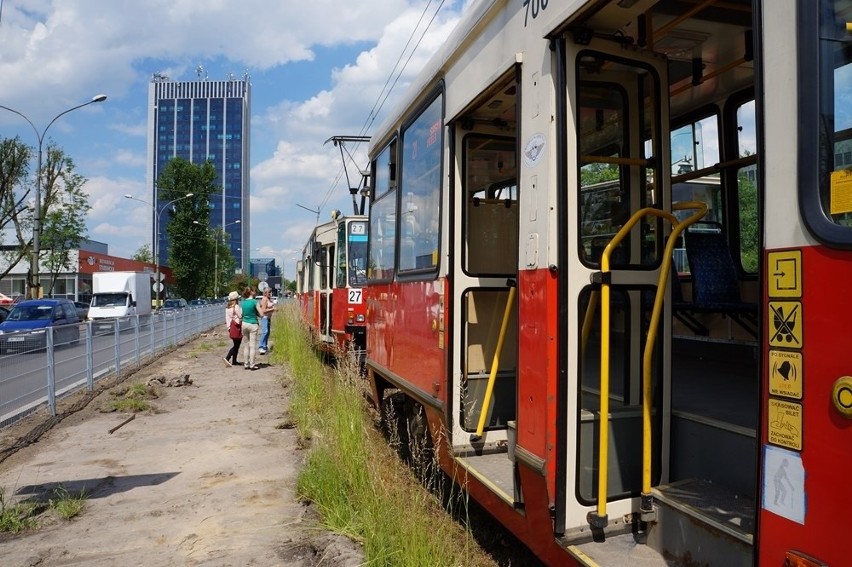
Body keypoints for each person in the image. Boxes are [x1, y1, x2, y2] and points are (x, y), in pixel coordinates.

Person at [239, 287, 263, 370]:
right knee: (252, 346)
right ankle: (252, 364)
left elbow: (240, 315)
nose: (255, 292)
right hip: (253, 324)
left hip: (244, 324)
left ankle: (246, 364)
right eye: (254, 290)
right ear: (251, 292)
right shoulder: (255, 302)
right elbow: (261, 314)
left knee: (246, 345)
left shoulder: (243, 303)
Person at [224, 291, 242, 367]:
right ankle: (227, 357)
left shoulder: (228, 308)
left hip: (231, 327)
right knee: (237, 345)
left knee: (235, 343)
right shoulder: (236, 307)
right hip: (236, 327)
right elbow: (240, 316)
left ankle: (234, 360)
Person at [258, 288, 276, 354]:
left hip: (268, 318)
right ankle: (261, 346)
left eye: (271, 292)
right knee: (265, 332)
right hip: (265, 318)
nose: (270, 294)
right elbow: (263, 310)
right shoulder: (264, 299)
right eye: (269, 292)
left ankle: (264, 347)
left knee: (267, 332)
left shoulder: (268, 299)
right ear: (265, 293)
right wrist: (272, 309)